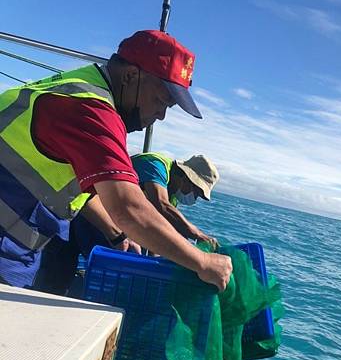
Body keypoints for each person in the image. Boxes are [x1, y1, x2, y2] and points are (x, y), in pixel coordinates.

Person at [0, 30, 231, 291]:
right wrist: (202, 262)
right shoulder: (92, 110)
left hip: (17, 245)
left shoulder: (79, 89)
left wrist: (115, 233)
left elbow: (81, 191)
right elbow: (127, 208)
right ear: (131, 76)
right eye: (161, 101)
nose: (162, 115)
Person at [34, 152, 221, 295]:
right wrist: (195, 233)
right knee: (56, 274)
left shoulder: (172, 198)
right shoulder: (156, 165)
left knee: (129, 259)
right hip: (86, 214)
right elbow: (160, 204)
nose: (194, 197)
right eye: (195, 191)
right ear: (184, 176)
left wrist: (153, 264)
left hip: (113, 227)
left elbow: (156, 234)